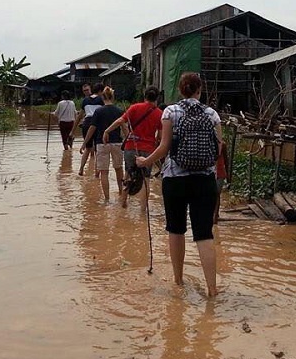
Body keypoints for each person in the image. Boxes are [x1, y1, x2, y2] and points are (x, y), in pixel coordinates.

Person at [136, 72, 222, 297]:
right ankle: (212, 289)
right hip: (204, 180)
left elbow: (164, 148)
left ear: (180, 90)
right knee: (204, 233)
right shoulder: (212, 114)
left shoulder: (170, 112)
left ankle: (178, 281)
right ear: (199, 89)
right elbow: (218, 150)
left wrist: (145, 161)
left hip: (175, 179)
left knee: (176, 229)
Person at [102, 86, 163, 211]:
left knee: (128, 175)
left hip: (131, 146)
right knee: (146, 179)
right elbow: (160, 137)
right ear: (157, 98)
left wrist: (107, 131)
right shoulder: (159, 113)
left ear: (144, 95)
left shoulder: (134, 107)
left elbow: (120, 121)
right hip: (148, 149)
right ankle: (142, 211)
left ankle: (123, 204)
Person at [84, 86, 124, 202]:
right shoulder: (119, 111)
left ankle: (107, 199)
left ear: (103, 97)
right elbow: (124, 128)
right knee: (119, 169)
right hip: (117, 142)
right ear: (112, 97)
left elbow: (92, 128)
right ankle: (121, 194)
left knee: (104, 172)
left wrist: (85, 143)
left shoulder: (99, 111)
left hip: (102, 143)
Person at [74, 83, 104, 176]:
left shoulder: (85, 100)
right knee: (97, 150)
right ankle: (96, 173)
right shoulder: (101, 100)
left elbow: (80, 116)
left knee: (87, 148)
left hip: (86, 124)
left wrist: (73, 130)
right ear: (100, 91)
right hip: (98, 123)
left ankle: (81, 169)